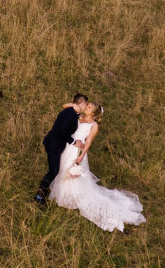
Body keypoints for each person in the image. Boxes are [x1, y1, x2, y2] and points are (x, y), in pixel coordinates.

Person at [48, 99, 145, 232]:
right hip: (68, 147)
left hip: (77, 151)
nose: (86, 107)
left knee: (72, 174)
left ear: (93, 114)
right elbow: (64, 106)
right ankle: (62, 192)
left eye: (89, 107)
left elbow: (88, 142)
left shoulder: (93, 126)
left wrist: (81, 156)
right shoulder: (79, 115)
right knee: (61, 168)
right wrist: (75, 105)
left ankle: (70, 195)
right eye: (87, 106)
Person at [34, 93, 86, 206]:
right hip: (54, 144)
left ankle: (42, 194)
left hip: (55, 143)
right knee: (53, 171)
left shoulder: (72, 112)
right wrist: (73, 142)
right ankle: (39, 196)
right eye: (85, 104)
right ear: (81, 103)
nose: (86, 106)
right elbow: (62, 131)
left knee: (54, 170)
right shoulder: (71, 113)